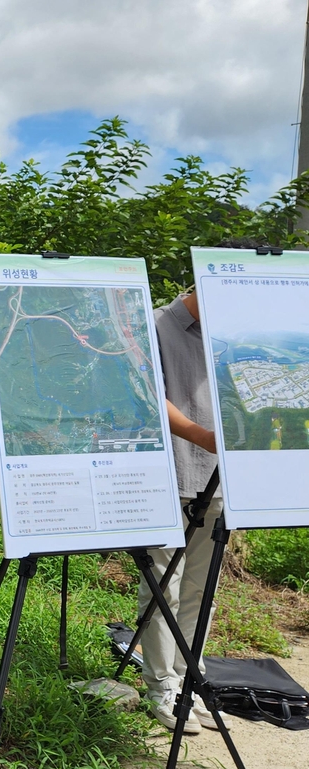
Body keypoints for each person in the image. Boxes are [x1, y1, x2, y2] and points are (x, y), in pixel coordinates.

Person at [137, 280, 228, 734]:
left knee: (201, 589)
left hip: (221, 477)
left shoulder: (231, 331)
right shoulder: (151, 324)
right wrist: (206, 437)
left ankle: (191, 680)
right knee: (162, 584)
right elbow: (148, 396)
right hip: (166, 474)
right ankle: (162, 686)